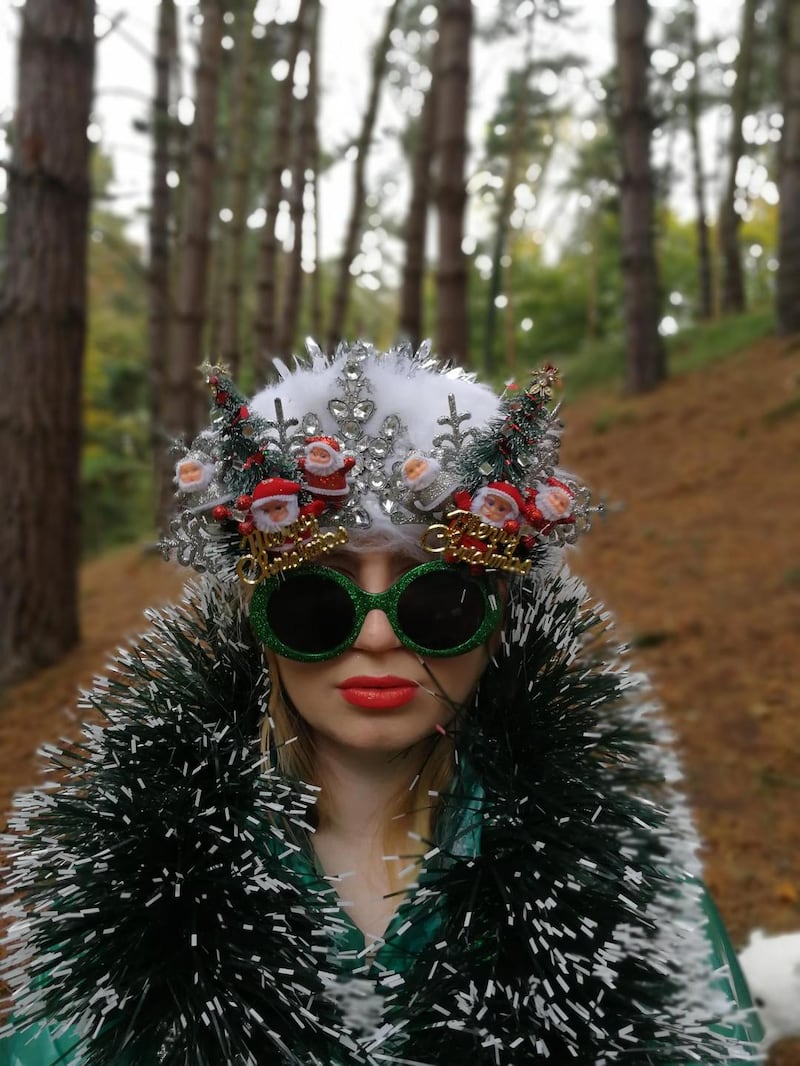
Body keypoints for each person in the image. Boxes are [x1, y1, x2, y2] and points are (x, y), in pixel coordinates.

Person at [0, 342, 762, 1065]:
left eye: (438, 597)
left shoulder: (624, 885)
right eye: (312, 596)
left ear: (504, 616)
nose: (372, 635)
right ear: (251, 613)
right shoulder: (127, 900)